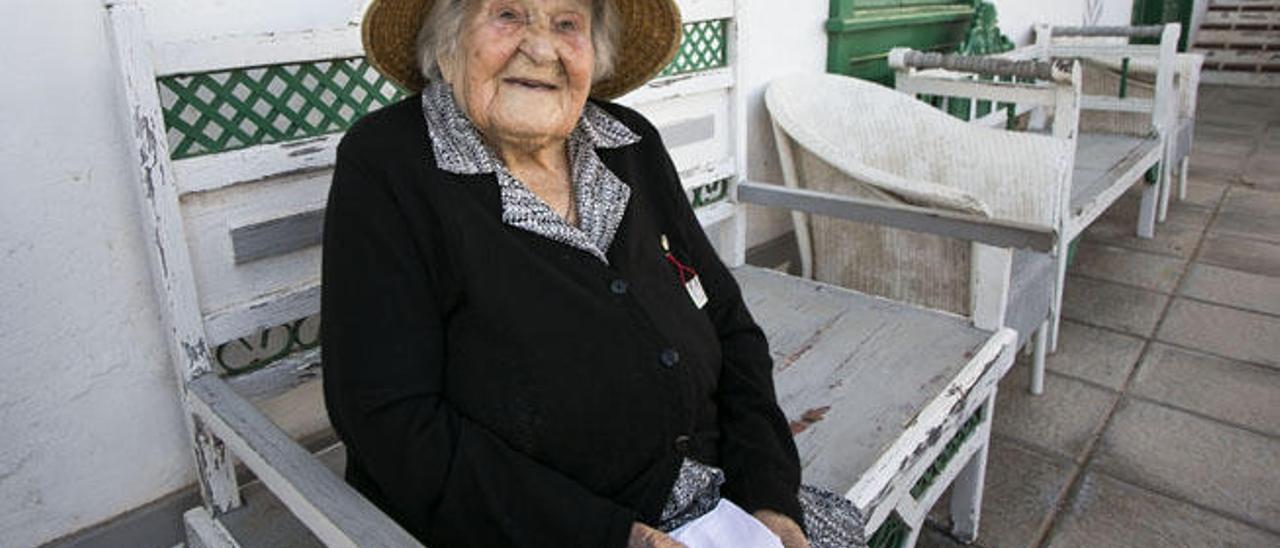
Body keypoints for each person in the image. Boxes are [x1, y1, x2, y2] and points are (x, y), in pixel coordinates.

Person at [322, 0, 863, 546]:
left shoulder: (628, 141)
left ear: (594, 53)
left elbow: (726, 322)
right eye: (508, 14)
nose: (541, 48)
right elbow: (388, 418)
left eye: (567, 23)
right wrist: (618, 538)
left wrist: (771, 502)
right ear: (446, 40)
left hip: (720, 495)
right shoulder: (388, 162)